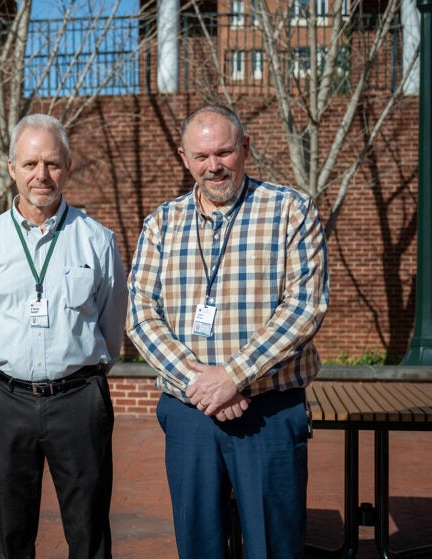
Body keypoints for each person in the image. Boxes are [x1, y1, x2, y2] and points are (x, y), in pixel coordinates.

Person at [127, 104, 329, 558]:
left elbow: (305, 307)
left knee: (273, 546)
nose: (214, 166)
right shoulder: (162, 223)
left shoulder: (290, 211)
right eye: (201, 156)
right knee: (198, 546)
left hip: (269, 413)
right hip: (189, 412)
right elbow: (140, 312)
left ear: (245, 148)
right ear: (183, 157)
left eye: (224, 152)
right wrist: (202, 383)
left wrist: (234, 376)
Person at [0, 113, 127, 559]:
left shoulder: (97, 241)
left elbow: (111, 326)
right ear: (11, 168)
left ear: (69, 167)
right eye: (30, 163)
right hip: (7, 401)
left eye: (52, 163)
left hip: (79, 400)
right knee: (10, 534)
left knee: (88, 532)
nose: (41, 175)